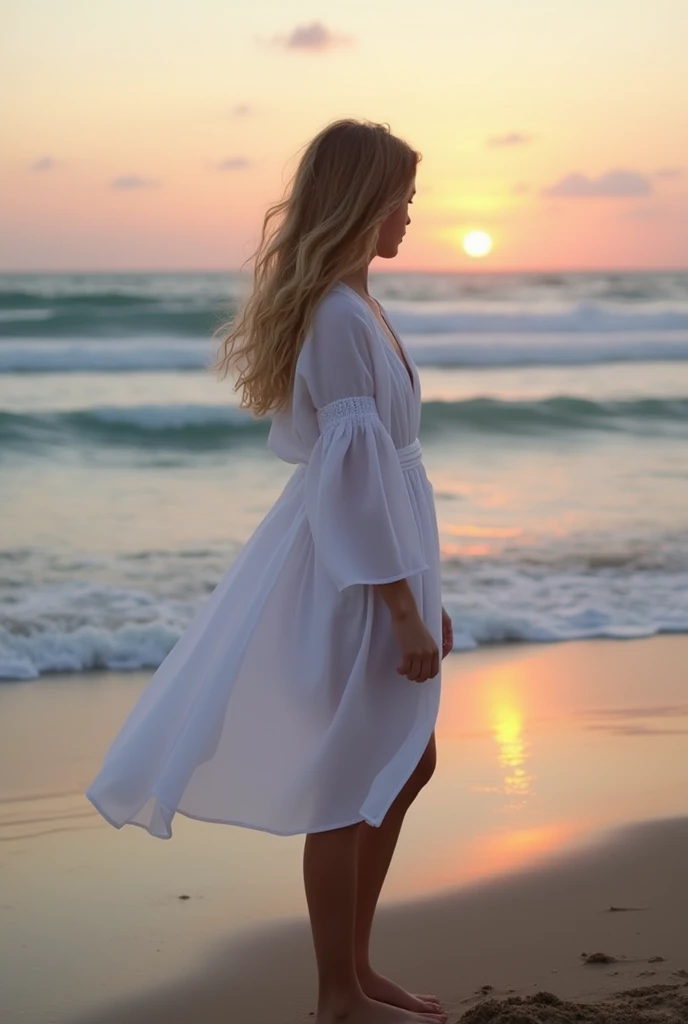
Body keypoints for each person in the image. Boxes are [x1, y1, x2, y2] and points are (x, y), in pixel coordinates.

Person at [86, 118, 454, 1024]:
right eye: (403, 196)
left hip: (385, 563)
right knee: (353, 773)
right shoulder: (336, 316)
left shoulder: (359, 304)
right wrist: (401, 606)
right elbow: (354, 477)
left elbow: (380, 469)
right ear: (365, 200)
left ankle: (357, 975)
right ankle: (338, 994)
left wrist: (426, 597)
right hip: (355, 574)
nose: (412, 212)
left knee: (405, 762)